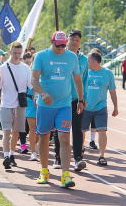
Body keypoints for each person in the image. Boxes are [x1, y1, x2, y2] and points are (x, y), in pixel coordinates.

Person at [31, 31, 84, 188]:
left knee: (65, 138)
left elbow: (77, 79)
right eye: (57, 44)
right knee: (44, 137)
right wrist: (43, 93)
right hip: (45, 104)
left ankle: (65, 175)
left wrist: (80, 100)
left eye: (63, 45)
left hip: (65, 105)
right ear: (51, 41)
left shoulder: (71, 57)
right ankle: (44, 171)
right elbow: (34, 78)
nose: (60, 48)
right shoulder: (41, 56)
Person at [0, 41, 34, 168]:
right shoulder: (3, 68)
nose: (17, 55)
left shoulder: (25, 68)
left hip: (19, 105)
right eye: (15, 53)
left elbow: (31, 85)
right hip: (6, 104)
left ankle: (11, 155)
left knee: (16, 132)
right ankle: (5, 156)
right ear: (10, 52)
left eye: (19, 53)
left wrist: (38, 95)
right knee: (6, 131)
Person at [52, 29, 88, 172]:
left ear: (80, 43)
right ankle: (58, 157)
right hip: (61, 98)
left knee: (77, 129)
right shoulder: (61, 56)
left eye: (77, 40)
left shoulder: (84, 60)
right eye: (72, 39)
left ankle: (78, 158)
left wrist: (82, 98)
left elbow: (84, 80)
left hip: (76, 99)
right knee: (59, 129)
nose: (74, 42)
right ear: (67, 41)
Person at [82, 51, 118, 166]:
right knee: (82, 130)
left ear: (94, 61)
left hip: (100, 106)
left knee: (102, 130)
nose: (87, 63)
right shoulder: (85, 72)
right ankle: (80, 151)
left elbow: (112, 91)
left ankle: (102, 156)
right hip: (85, 106)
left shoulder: (108, 73)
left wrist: (116, 107)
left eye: (88, 60)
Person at [23, 52, 39, 161]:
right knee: (32, 128)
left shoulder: (46, 71)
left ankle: (36, 143)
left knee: (40, 129)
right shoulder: (28, 71)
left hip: (43, 101)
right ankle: (33, 152)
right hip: (30, 101)